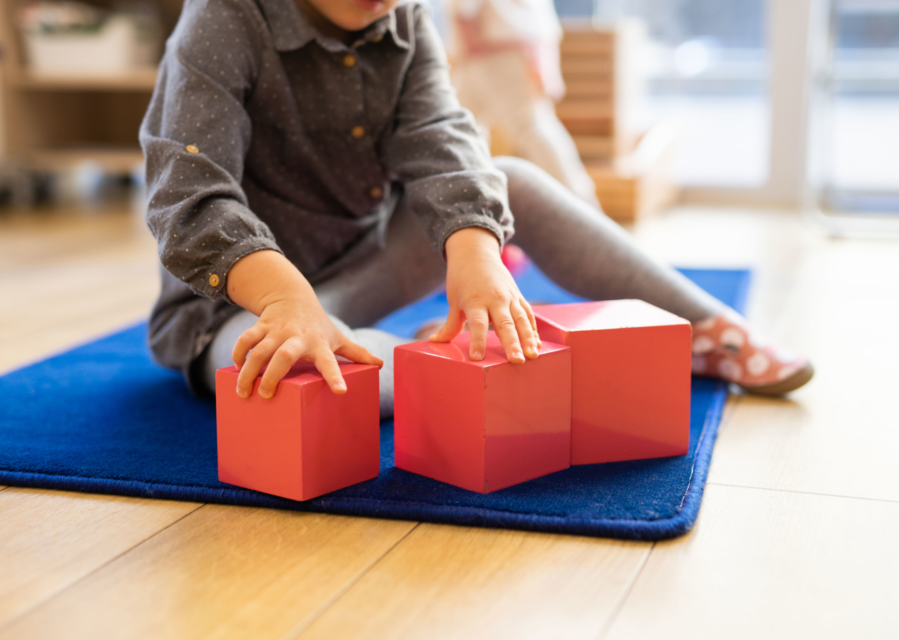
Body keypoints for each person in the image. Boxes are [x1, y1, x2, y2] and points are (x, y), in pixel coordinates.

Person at [141, 0, 813, 420]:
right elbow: (190, 194)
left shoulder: (403, 18)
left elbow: (444, 142)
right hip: (241, 312)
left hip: (359, 268)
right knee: (329, 383)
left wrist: (474, 252)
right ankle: (471, 368)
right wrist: (288, 302)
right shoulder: (222, 20)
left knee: (509, 177)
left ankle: (711, 329)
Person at [446, 0, 601, 208]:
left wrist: (466, 36)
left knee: (529, 127)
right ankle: (470, 205)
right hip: (511, 41)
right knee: (463, 129)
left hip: (492, 46)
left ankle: (583, 207)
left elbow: (465, 9)